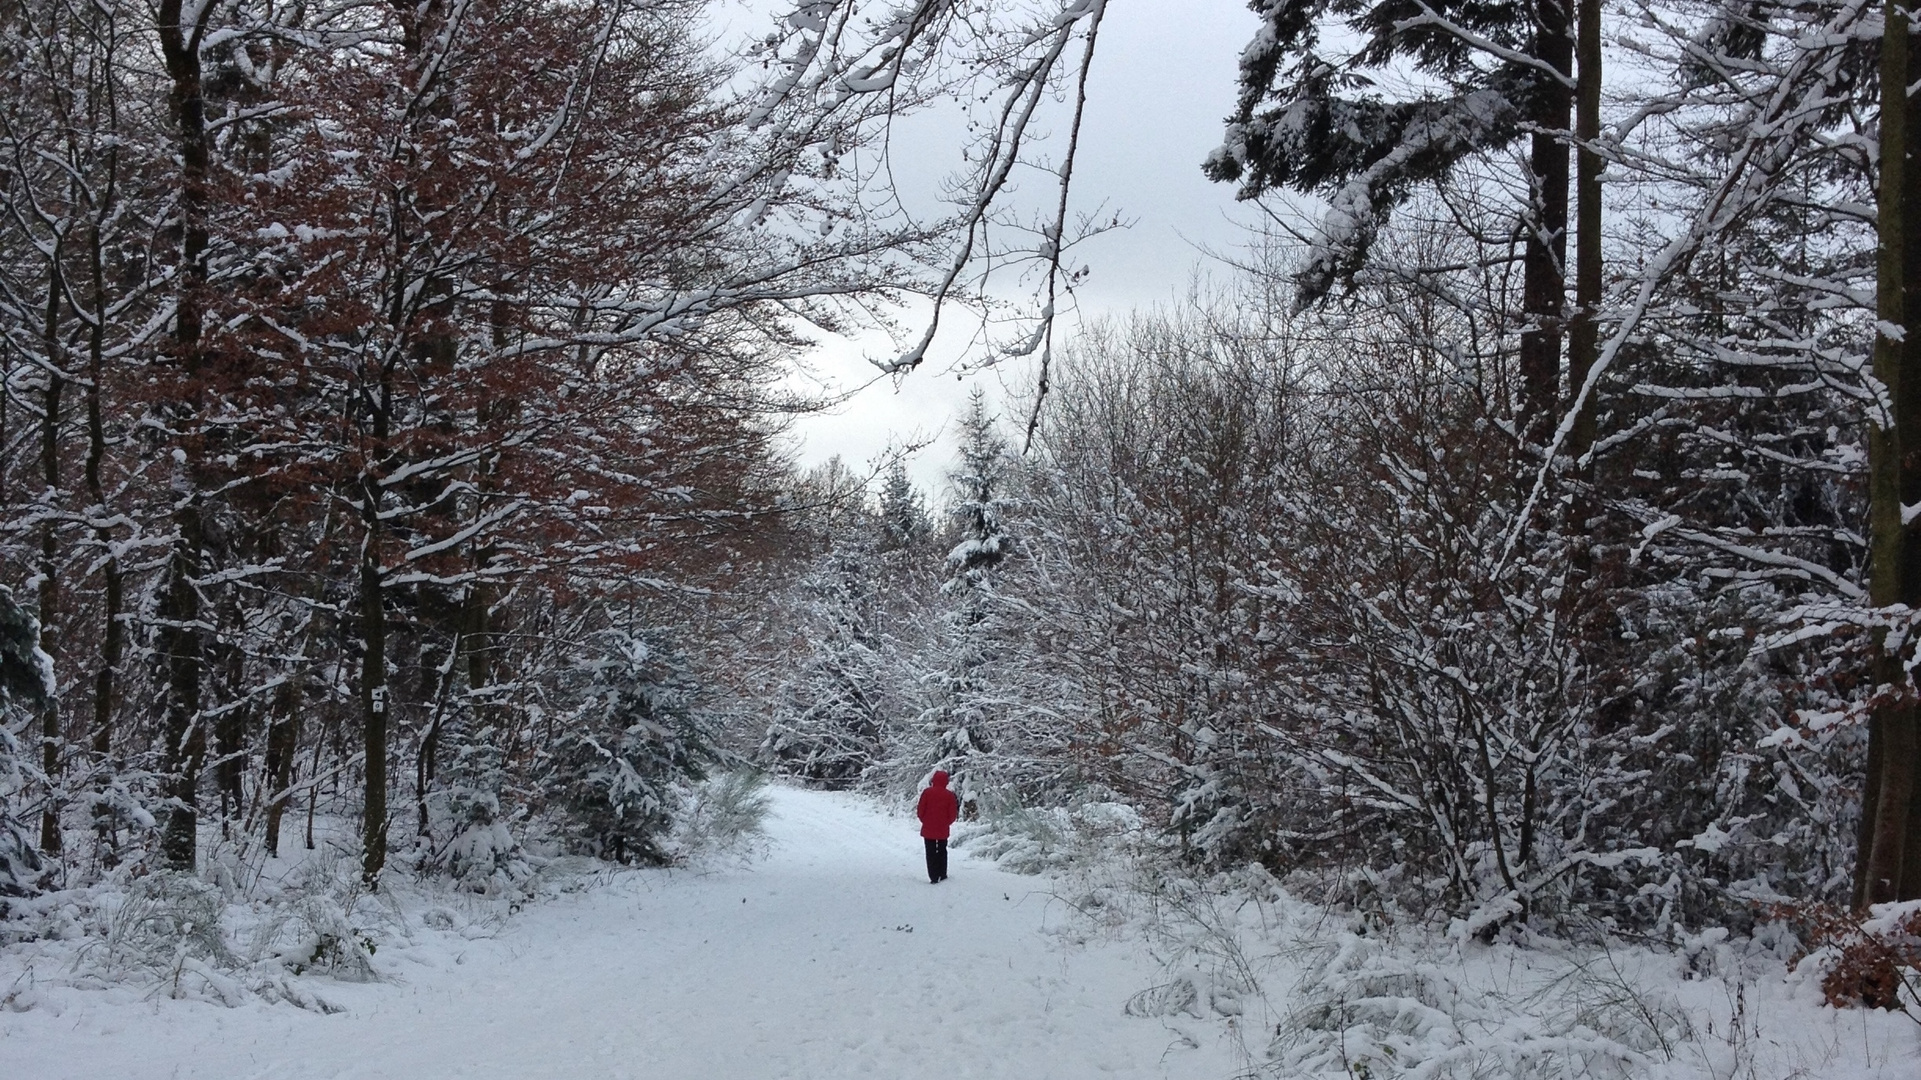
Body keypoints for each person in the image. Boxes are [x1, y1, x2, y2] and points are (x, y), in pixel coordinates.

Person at [916, 770, 960, 883]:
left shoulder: (927, 793)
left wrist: (925, 820)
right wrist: (946, 823)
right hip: (942, 829)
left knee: (930, 852)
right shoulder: (949, 795)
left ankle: (933, 876)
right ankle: (942, 873)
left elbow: (920, 810)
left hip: (928, 828)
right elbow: (953, 814)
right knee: (942, 851)